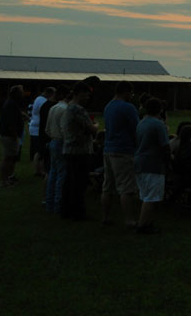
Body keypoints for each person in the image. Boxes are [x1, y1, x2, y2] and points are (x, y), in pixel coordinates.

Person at [100, 81, 139, 228]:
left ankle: (105, 217)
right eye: (131, 93)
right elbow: (137, 128)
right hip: (123, 150)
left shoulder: (108, 106)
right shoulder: (128, 107)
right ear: (127, 92)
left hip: (108, 149)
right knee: (126, 187)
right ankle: (129, 220)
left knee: (107, 186)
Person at [61, 81, 98, 219]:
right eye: (86, 94)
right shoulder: (77, 109)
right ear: (78, 93)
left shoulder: (69, 107)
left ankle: (66, 210)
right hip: (80, 151)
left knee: (69, 182)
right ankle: (78, 212)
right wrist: (96, 125)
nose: (88, 97)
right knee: (79, 184)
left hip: (69, 149)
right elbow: (91, 129)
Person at [134, 97, 171, 233]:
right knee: (151, 197)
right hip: (153, 163)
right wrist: (169, 161)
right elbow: (165, 145)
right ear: (160, 109)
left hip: (139, 161)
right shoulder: (158, 124)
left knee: (145, 195)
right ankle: (142, 225)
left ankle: (147, 222)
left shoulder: (141, 123)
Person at [44, 88, 71, 213]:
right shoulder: (65, 110)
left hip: (52, 141)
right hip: (60, 142)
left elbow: (47, 128)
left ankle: (49, 202)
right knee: (61, 174)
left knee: (53, 173)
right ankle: (58, 204)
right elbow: (64, 129)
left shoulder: (53, 108)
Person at [0, 85, 25, 187]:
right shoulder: (11, 105)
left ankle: (8, 179)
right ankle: (4, 181)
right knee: (8, 159)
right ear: (16, 94)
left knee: (10, 158)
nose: (23, 94)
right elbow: (10, 123)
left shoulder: (11, 103)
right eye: (21, 92)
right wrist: (15, 136)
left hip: (9, 135)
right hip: (9, 136)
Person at [28, 86, 55, 177]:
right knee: (40, 151)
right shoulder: (42, 101)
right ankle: (39, 169)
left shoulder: (38, 99)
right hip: (38, 128)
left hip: (35, 126)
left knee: (38, 150)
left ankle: (38, 169)